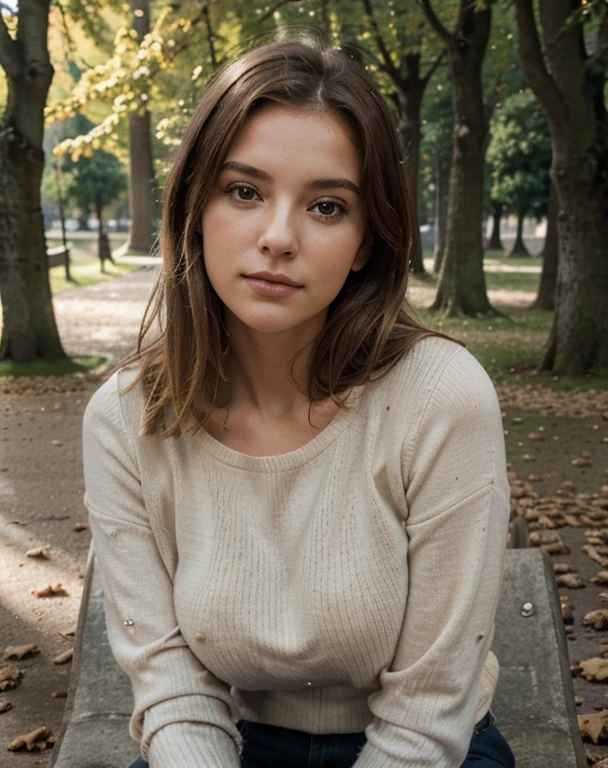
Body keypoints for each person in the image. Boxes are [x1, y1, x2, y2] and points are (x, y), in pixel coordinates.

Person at [82, 36, 515, 768]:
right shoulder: (126, 420)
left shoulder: (442, 399)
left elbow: (427, 712)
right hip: (226, 746)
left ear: (368, 242)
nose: (277, 238)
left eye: (325, 206)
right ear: (195, 205)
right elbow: (175, 692)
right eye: (244, 191)